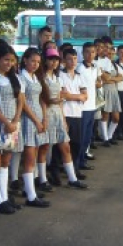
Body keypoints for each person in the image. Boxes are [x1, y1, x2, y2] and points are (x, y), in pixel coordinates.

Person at [38, 48, 88, 190]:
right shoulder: (42, 78)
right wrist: (44, 118)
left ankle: (72, 178)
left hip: (58, 114)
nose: (54, 62)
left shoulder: (57, 77)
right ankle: (42, 179)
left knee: (65, 146)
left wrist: (63, 119)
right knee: (45, 147)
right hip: (46, 113)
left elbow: (61, 99)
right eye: (51, 59)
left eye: (56, 60)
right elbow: (43, 99)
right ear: (45, 60)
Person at [0, 44, 24, 214]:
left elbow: (21, 100)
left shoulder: (15, 78)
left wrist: (15, 120)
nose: (9, 63)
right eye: (6, 60)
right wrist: (5, 122)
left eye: (12, 60)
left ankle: (5, 196)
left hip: (13, 123)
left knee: (6, 161)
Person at [18, 48, 50, 207]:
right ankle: (31, 196)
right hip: (28, 119)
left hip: (39, 117)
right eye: (32, 61)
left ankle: (29, 188)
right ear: (25, 60)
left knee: (36, 153)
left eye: (38, 62)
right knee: (30, 157)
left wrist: (44, 118)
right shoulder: (21, 78)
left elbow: (42, 99)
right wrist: (36, 120)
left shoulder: (36, 77)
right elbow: (23, 103)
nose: (35, 64)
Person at [60, 48, 88, 182]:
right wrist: (78, 96)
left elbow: (85, 96)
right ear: (64, 60)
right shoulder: (60, 75)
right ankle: (58, 170)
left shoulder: (79, 75)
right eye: (70, 59)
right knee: (62, 145)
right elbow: (63, 95)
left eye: (75, 58)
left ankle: (74, 168)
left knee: (77, 143)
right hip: (64, 114)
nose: (73, 61)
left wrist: (72, 96)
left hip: (77, 113)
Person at [76, 42, 99, 170]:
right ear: (83, 53)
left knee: (87, 137)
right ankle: (77, 163)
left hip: (92, 106)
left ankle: (83, 160)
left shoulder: (95, 68)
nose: (90, 55)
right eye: (87, 52)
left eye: (93, 52)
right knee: (81, 137)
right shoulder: (80, 69)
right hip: (83, 108)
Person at [98, 43, 122, 146]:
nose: (110, 54)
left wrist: (111, 79)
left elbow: (121, 78)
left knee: (116, 117)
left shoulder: (114, 64)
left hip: (114, 91)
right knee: (105, 115)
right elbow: (104, 79)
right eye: (109, 52)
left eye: (112, 53)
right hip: (105, 90)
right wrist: (112, 79)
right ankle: (105, 138)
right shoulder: (101, 63)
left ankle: (109, 135)